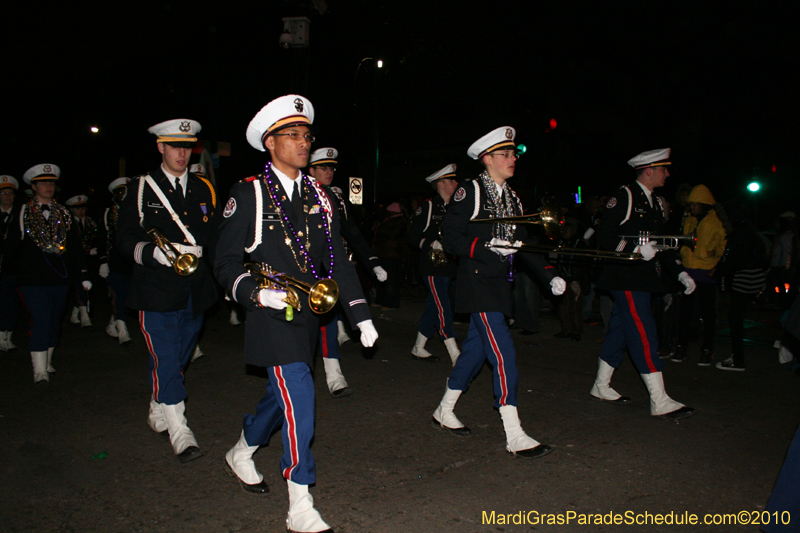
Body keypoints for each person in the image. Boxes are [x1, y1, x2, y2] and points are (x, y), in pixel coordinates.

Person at [215, 95, 378, 533]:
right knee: (301, 399)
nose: (303, 142)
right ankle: (300, 500)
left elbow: (339, 262)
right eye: (293, 135)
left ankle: (242, 449)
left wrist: (360, 314)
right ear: (270, 142)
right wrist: (254, 295)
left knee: (281, 398)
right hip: (270, 316)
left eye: (307, 135)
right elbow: (225, 261)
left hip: (309, 316)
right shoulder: (248, 192)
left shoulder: (322, 198)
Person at [432, 126, 566, 459]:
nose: (512, 159)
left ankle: (444, 409)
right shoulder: (471, 191)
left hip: (499, 285)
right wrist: (489, 249)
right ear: (487, 158)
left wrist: (549, 275)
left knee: (475, 352)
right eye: (505, 154)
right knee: (504, 353)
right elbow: (452, 237)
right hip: (477, 283)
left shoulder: (513, 197)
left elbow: (522, 242)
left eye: (514, 154)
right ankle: (514, 432)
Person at [117, 119, 219, 463]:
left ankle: (158, 402)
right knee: (164, 353)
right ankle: (180, 429)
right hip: (157, 285)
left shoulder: (204, 188)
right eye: (174, 146)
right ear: (160, 147)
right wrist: (152, 252)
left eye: (187, 146)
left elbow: (214, 236)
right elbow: (125, 236)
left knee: (177, 356)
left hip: (196, 285)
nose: (181, 153)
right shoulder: (143, 187)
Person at [588, 148, 696, 419]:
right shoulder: (624, 196)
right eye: (663, 169)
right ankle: (659, 399)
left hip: (642, 278)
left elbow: (663, 242)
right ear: (648, 170)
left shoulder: (657, 202)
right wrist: (634, 249)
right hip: (623, 276)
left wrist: (680, 272)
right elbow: (605, 235)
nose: (667, 174)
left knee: (620, 330)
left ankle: (601, 385)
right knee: (643, 329)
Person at [307, 146, 387, 397]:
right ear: (310, 169)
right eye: (323, 167)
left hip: (334, 263)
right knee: (315, 323)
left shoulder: (336, 197)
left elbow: (352, 232)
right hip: (306, 268)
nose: (328, 172)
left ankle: (334, 374)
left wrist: (373, 262)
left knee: (328, 318)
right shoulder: (298, 193)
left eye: (331, 167)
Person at [6, 164, 90, 387]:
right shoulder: (22, 212)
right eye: (43, 183)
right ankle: (39, 370)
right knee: (42, 318)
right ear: (33, 187)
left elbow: (74, 247)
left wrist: (83, 273)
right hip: (31, 280)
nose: (48, 187)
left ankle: (48, 360)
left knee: (54, 321)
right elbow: (11, 246)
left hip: (59, 278)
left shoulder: (64, 213)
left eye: (51, 183)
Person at [408, 164, 461, 365]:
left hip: (449, 265)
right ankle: (454, 351)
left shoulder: (455, 208)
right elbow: (413, 236)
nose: (456, 183)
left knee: (434, 305)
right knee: (443, 306)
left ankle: (418, 347)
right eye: (452, 180)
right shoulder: (429, 206)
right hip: (431, 265)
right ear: (441, 184)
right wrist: (431, 244)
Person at [672, 184, 728, 365]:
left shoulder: (716, 221)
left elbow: (724, 244)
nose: (691, 207)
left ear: (703, 204)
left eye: (695, 204)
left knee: (708, 314)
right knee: (685, 313)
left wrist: (715, 255)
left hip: (707, 272)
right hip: (689, 270)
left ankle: (707, 350)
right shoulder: (690, 219)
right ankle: (681, 347)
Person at [98, 177, 134, 345]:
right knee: (118, 295)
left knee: (128, 296)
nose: (123, 195)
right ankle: (122, 331)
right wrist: (103, 261)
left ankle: (113, 323)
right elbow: (103, 238)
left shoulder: (137, 211)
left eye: (125, 191)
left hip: (133, 261)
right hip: (116, 262)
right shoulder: (109, 213)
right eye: (120, 192)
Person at [65, 194, 98, 328]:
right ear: (71, 209)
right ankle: (85, 316)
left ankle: (74, 313)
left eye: (82, 208)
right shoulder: (68, 223)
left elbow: (96, 237)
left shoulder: (90, 222)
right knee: (80, 286)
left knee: (87, 286)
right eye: (77, 208)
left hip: (89, 260)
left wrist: (95, 248)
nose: (80, 211)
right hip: (73, 261)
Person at [0, 175, 21, 352]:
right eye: (4, 193)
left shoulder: (19, 215)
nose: (7, 196)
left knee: (11, 302)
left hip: (13, 267)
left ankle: (8, 335)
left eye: (10, 193)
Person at [372, 202, 407, 309]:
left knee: (391, 280)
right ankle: (381, 300)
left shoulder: (399, 222)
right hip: (384, 253)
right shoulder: (389, 221)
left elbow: (392, 234)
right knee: (381, 278)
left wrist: (380, 227)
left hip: (392, 255)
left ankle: (391, 303)